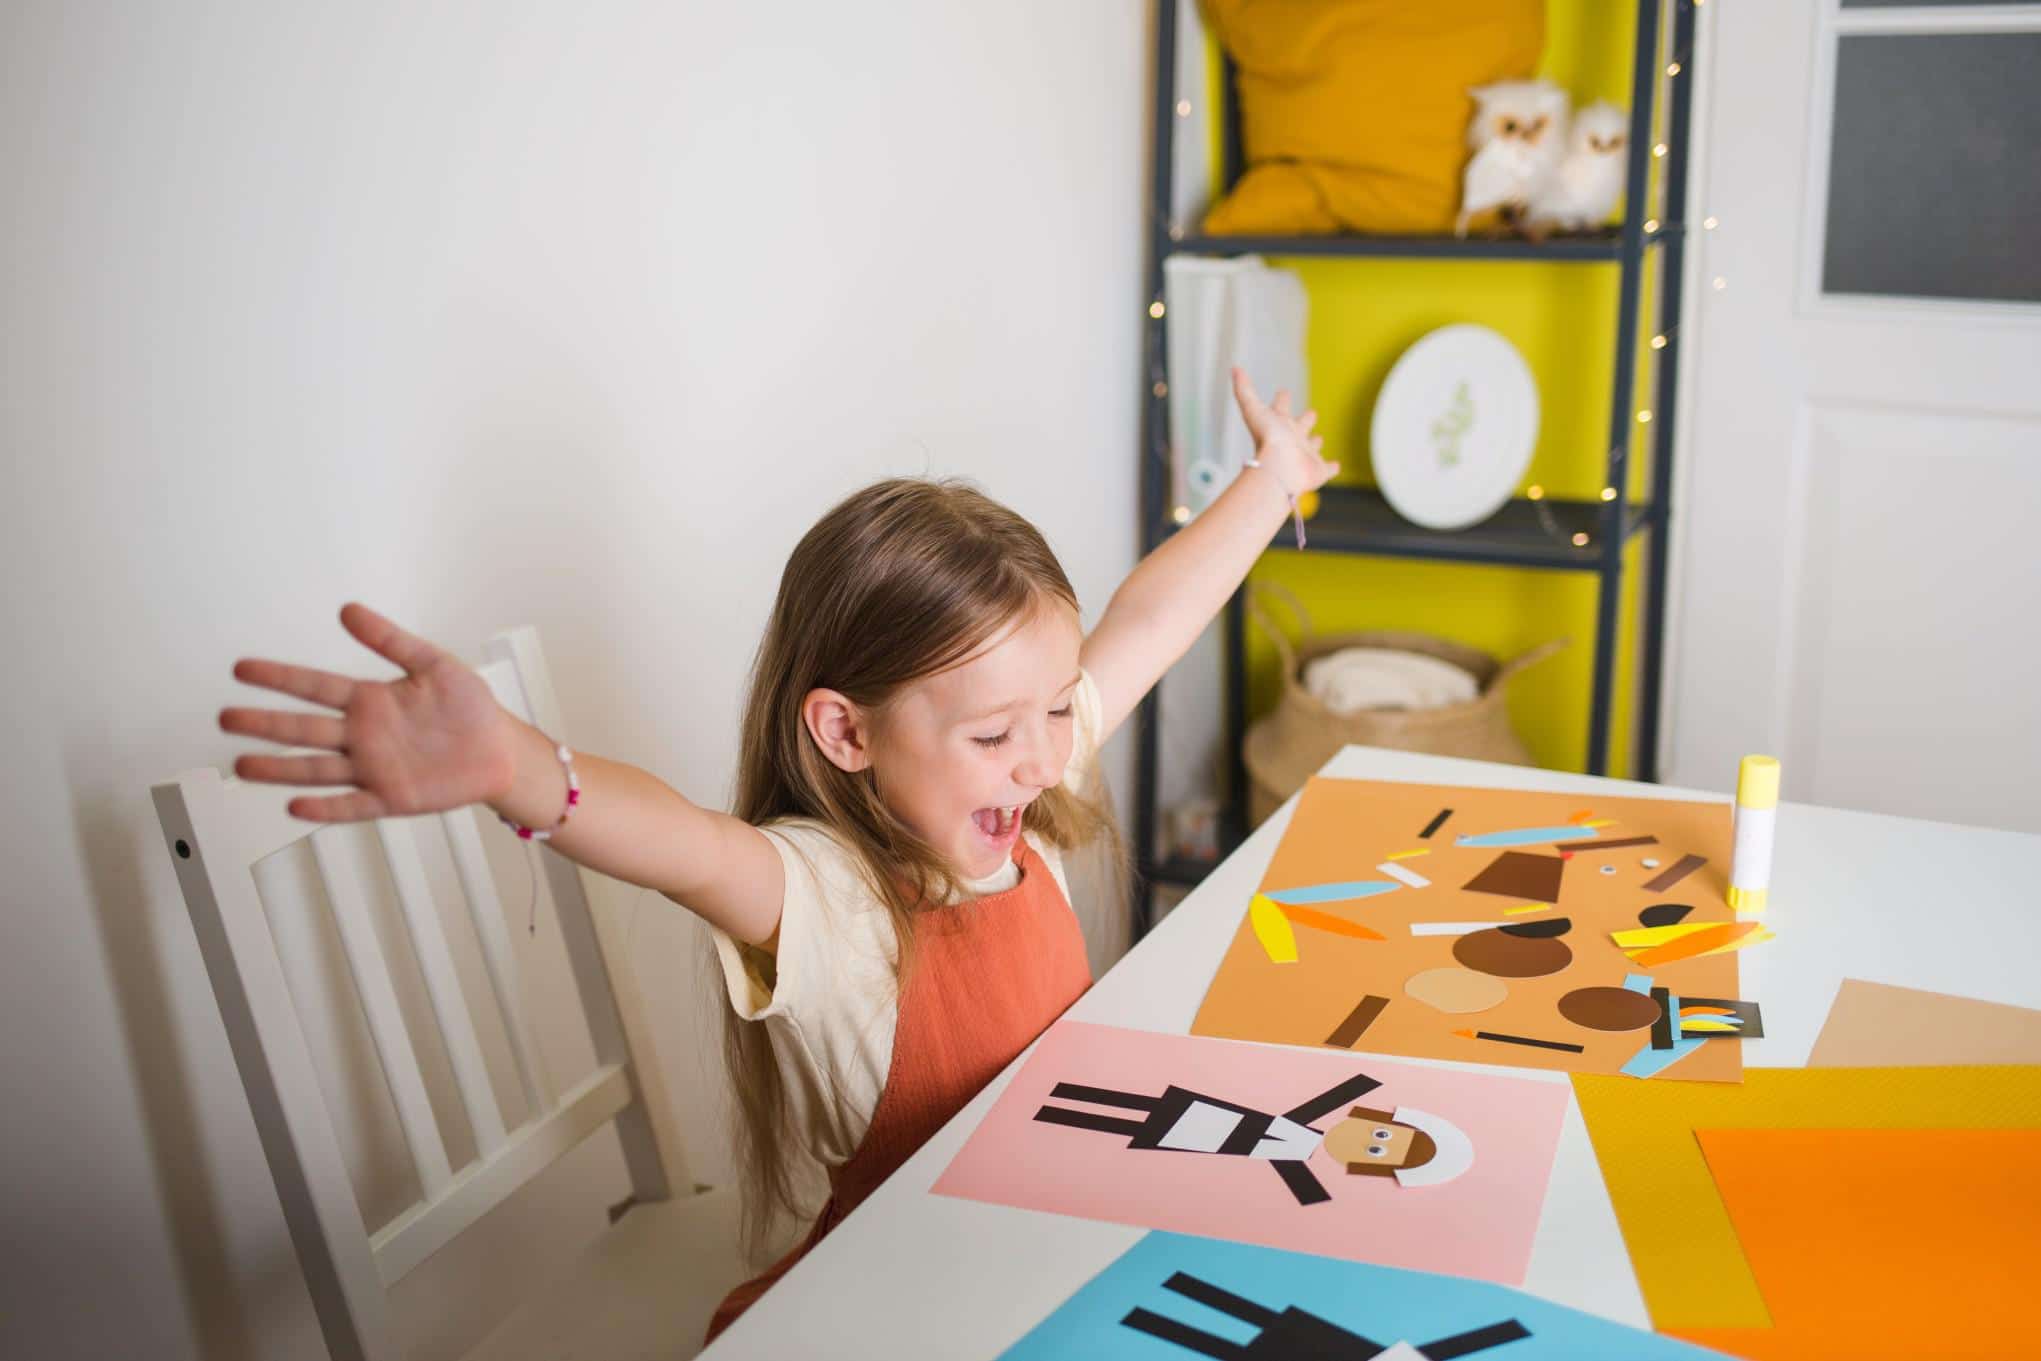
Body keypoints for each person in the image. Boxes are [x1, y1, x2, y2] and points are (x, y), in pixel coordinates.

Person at [217, 370, 1334, 1342]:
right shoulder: (829, 897)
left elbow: (1149, 619)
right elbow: (684, 846)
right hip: (906, 1305)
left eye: (1055, 710)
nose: (1046, 757)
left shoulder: (1013, 779)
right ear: (846, 732)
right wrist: (513, 764)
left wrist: (1272, 477)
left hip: (1042, 1256)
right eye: (997, 733)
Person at [1032, 1071, 1474, 1205]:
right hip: (1219, 1116)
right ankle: (1064, 1098)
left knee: (1138, 1126)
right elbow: (1319, 1106)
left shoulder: (1302, 1159)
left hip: (1214, 1139)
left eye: (1376, 1150)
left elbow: (1300, 1181)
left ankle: (1063, 1104)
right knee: (1141, 1109)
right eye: (1381, 1134)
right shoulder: (1310, 1132)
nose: (1369, 1141)